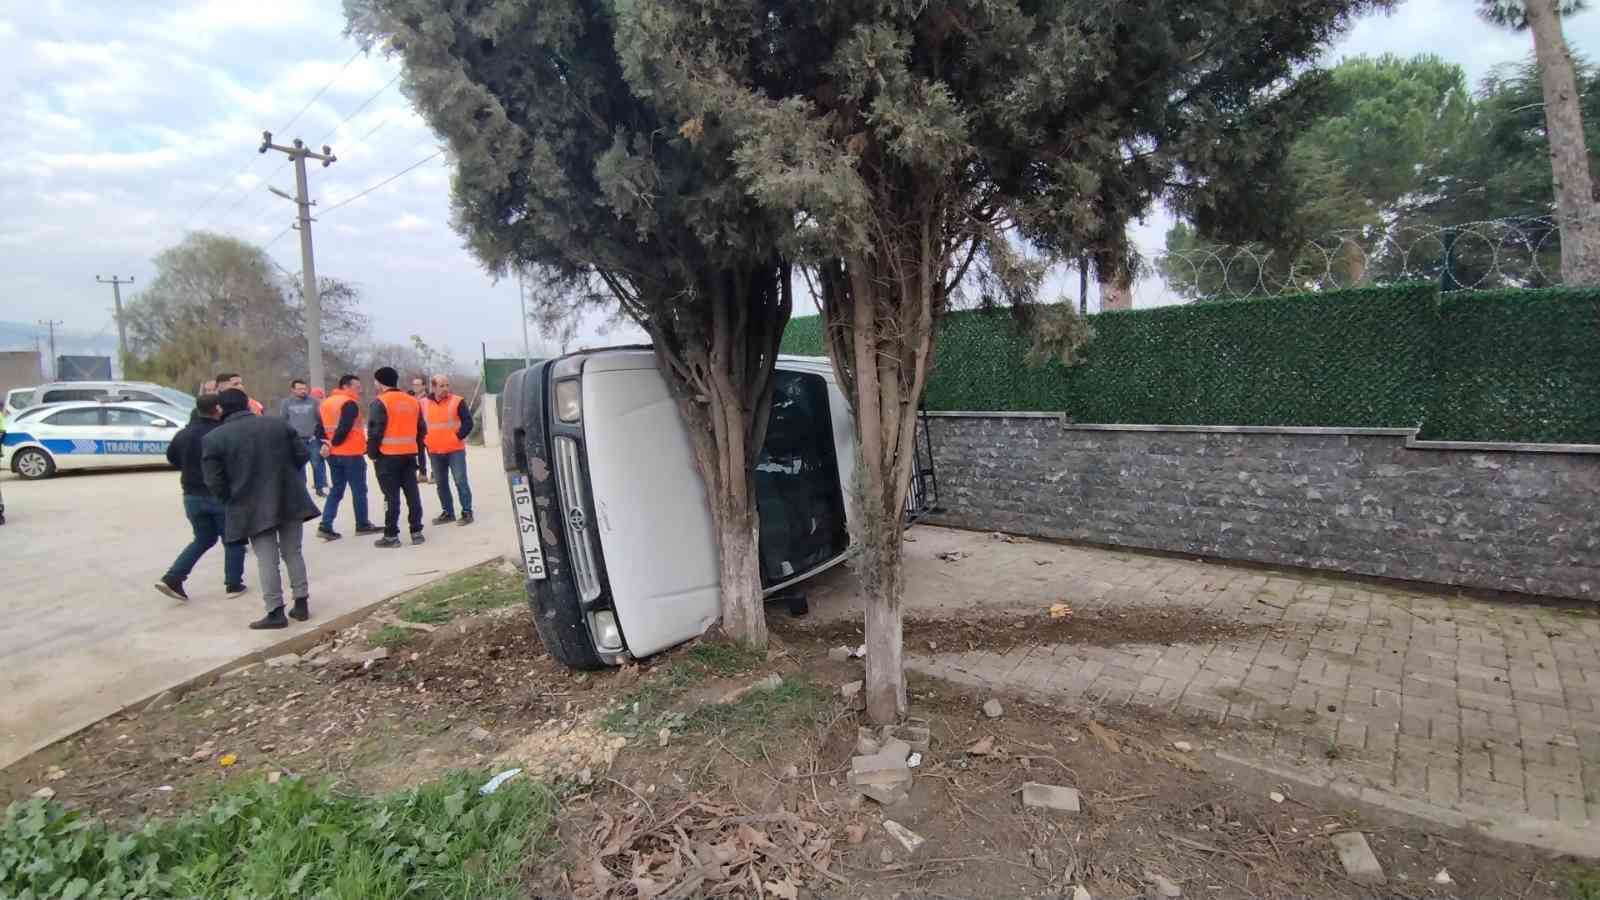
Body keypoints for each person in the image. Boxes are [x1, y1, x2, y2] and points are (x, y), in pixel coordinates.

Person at [202, 389, 319, 629]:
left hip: (250, 504)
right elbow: (302, 454)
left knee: (267, 559)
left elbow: (214, 481)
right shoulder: (277, 425)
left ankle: (275, 611)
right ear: (247, 404)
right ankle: (302, 603)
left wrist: (231, 499)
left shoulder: (215, 438)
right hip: (289, 496)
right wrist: (286, 476)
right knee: (293, 552)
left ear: (221, 409)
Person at [155, 394, 247, 600]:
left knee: (203, 538)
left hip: (191, 496)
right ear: (217, 409)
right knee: (233, 539)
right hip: (219, 495)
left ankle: (173, 578)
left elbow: (172, 458)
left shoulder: (184, 434)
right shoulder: (221, 433)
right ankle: (233, 584)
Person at [366, 366, 428, 548]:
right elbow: (421, 429)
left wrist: (372, 454)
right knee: (413, 495)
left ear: (379, 381)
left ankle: (391, 535)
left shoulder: (380, 403)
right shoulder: (412, 401)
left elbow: (375, 431)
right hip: (409, 455)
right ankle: (417, 531)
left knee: (391, 497)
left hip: (387, 457)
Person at [313, 374, 380, 541]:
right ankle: (362, 524)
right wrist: (332, 443)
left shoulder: (326, 403)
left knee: (337, 489)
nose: (359, 389)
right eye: (356, 386)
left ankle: (325, 525)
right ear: (345, 386)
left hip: (333, 455)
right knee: (359, 490)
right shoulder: (349, 404)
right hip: (350, 453)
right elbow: (344, 428)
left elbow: (319, 428)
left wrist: (326, 444)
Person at [422, 374, 475, 525]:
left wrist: (457, 437)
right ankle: (448, 512)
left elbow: (468, 423)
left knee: (460, 480)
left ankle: (466, 512)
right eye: (442, 386)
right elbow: (420, 425)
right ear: (433, 387)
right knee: (441, 483)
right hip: (434, 450)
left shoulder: (457, 401)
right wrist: (425, 441)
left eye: (447, 385)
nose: (446, 389)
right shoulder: (423, 404)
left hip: (455, 449)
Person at [279, 379, 327, 497]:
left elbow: (320, 419)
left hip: (312, 439)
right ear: (293, 390)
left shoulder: (314, 402)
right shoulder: (286, 403)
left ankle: (319, 488)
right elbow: (283, 420)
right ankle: (301, 490)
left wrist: (320, 435)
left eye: (304, 389)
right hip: (296, 440)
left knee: (317, 463)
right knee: (299, 466)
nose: (303, 391)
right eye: (299, 389)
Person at [410, 375, 432, 484]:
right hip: (415, 429)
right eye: (414, 384)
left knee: (430, 452)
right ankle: (422, 473)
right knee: (419, 452)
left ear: (424, 386)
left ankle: (434, 474)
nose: (415, 387)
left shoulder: (428, 399)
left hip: (427, 428)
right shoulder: (411, 398)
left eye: (418, 384)